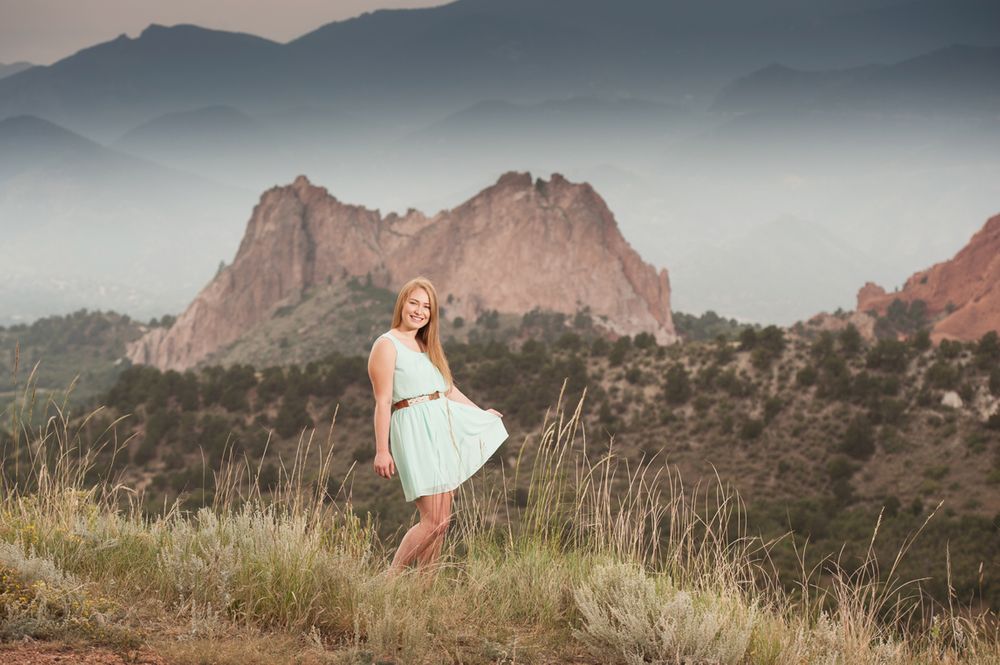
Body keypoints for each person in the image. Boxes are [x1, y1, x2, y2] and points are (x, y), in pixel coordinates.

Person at [367, 276, 508, 575]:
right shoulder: (387, 344)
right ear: (402, 304)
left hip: (441, 430)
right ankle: (388, 580)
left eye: (426, 307)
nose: (419, 311)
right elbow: (382, 402)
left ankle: (424, 592)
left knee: (442, 522)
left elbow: (447, 390)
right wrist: (382, 450)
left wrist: (481, 413)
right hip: (413, 431)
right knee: (434, 520)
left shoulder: (426, 346)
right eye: (414, 302)